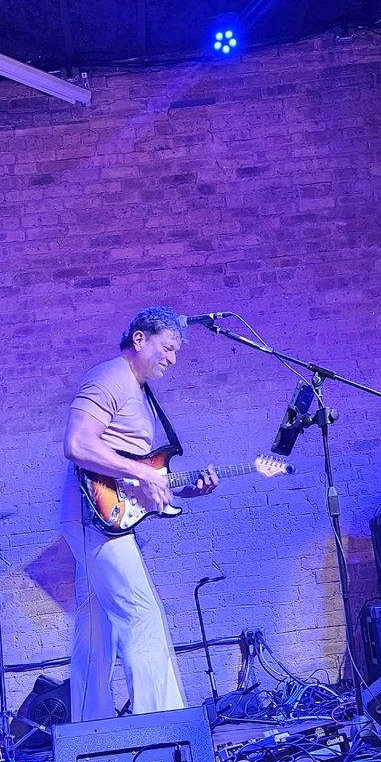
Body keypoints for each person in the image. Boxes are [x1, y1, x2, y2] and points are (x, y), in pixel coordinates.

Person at [60, 306, 218, 723]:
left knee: (94, 631)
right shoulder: (110, 377)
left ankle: (90, 731)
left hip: (96, 518)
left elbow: (137, 474)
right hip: (96, 520)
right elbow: (77, 444)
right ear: (140, 339)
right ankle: (163, 732)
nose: (173, 358)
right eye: (168, 347)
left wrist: (185, 488)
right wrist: (141, 474)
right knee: (142, 616)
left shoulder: (137, 390)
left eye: (177, 351)